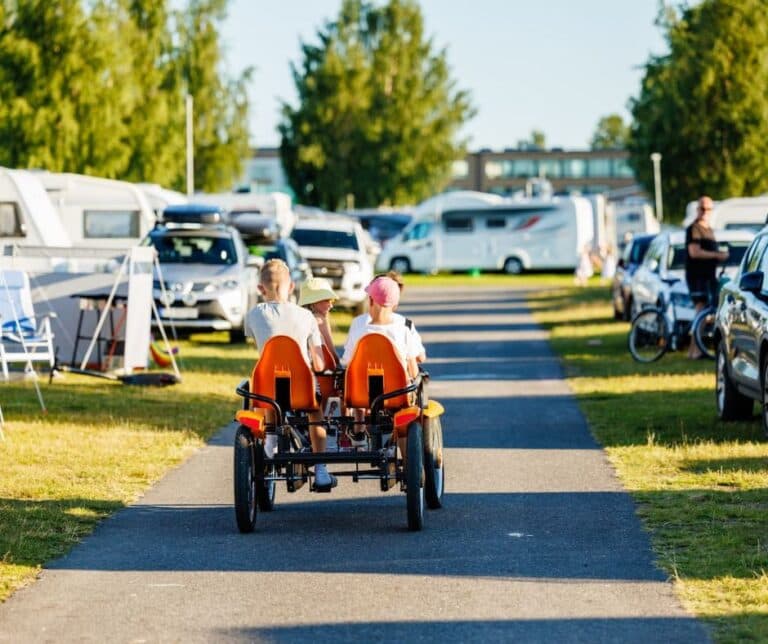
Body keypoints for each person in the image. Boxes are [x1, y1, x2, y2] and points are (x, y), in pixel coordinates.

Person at [244, 259, 336, 489]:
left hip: (267, 389)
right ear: (292, 286)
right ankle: (321, 470)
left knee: (269, 390)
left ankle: (271, 441)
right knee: (315, 412)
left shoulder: (253, 315)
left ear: (260, 288)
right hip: (301, 388)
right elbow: (319, 363)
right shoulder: (306, 317)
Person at [342, 276, 420, 378]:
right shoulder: (404, 332)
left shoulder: (357, 334)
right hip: (397, 388)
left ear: (371, 301)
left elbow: (347, 365)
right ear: (395, 305)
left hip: (363, 388)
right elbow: (413, 373)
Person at [685, 195, 728, 359]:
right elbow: (694, 252)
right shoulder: (694, 229)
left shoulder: (708, 229)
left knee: (703, 313)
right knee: (701, 312)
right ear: (697, 209)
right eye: (702, 208)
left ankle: (693, 350)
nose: (705, 212)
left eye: (708, 209)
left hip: (708, 276)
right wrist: (717, 255)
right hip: (697, 277)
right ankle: (694, 350)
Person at [298, 276, 340, 367]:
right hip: (317, 371)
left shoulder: (297, 317)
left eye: (332, 300)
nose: (331, 305)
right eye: (327, 300)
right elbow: (332, 355)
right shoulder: (319, 319)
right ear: (314, 301)